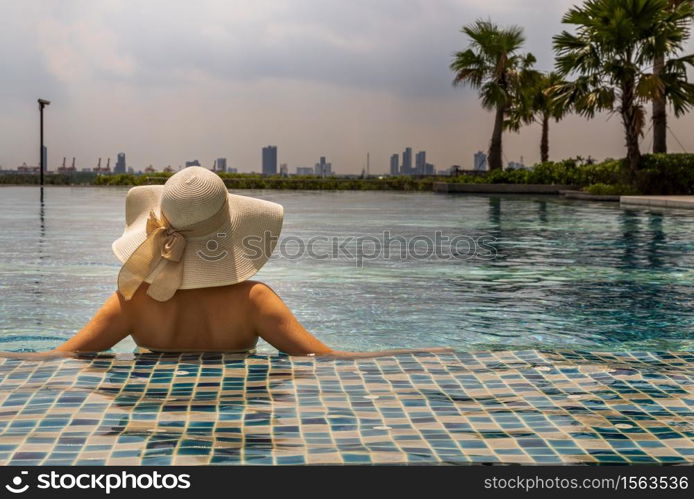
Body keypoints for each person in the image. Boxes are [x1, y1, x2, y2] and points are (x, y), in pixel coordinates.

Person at [39, 167, 446, 359]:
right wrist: (420, 354)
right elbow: (327, 361)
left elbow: (58, 358)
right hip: (234, 418)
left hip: (154, 426)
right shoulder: (253, 301)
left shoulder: (133, 299)